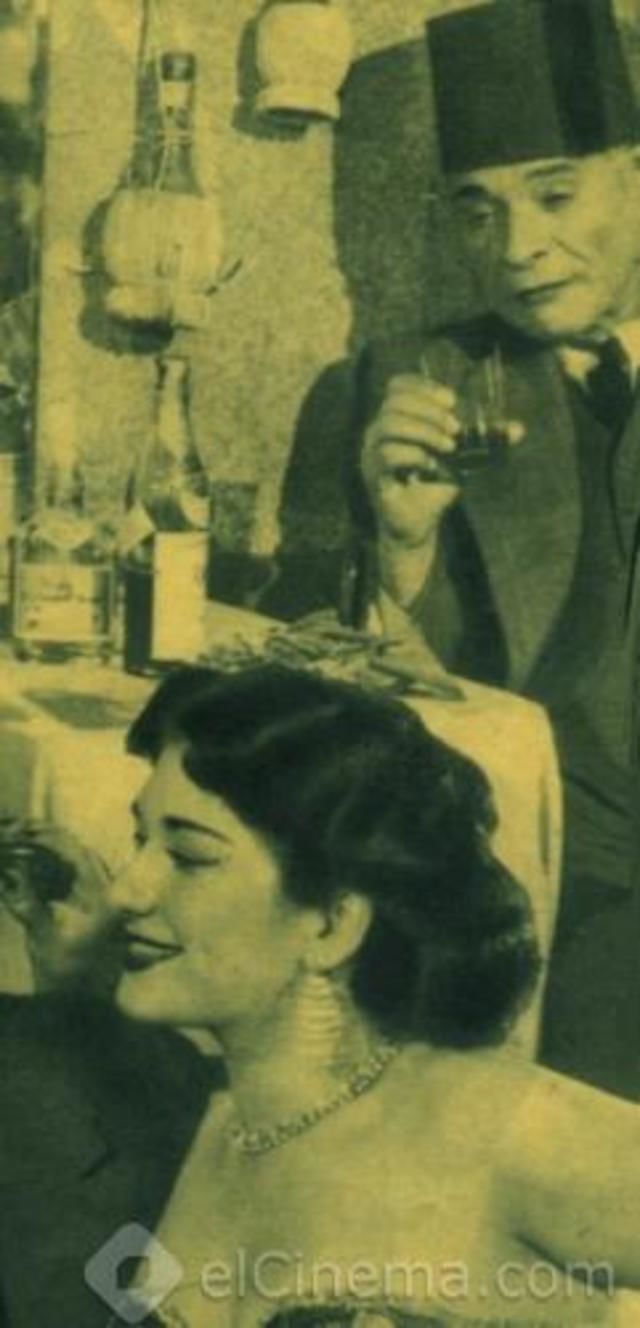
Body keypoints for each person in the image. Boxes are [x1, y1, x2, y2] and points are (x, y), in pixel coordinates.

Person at [4, 664, 638, 1328]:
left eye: (189, 858)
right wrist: (73, 982)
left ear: (333, 924)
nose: (127, 889)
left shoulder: (500, 1127)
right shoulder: (213, 1124)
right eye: (141, 841)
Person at [264, 0, 640, 1101]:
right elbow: (329, 689)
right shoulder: (415, 388)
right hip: (550, 872)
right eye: (479, 211)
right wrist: (404, 541)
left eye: (555, 195)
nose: (518, 248)